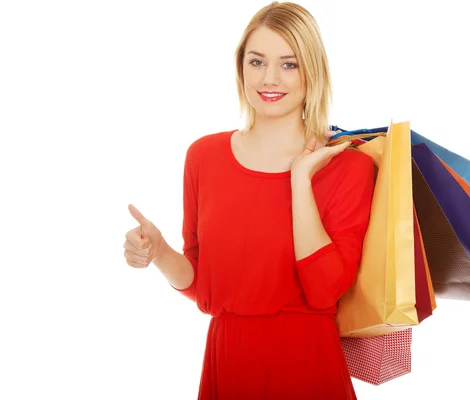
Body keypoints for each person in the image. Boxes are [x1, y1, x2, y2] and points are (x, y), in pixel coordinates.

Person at [123, 2, 375, 399]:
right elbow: (203, 285)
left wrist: (300, 180)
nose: (269, 78)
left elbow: (325, 291)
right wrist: (158, 251)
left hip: (308, 366)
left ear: (313, 71)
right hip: (229, 361)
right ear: (241, 67)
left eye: (289, 64)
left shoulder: (350, 168)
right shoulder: (204, 156)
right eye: (257, 62)